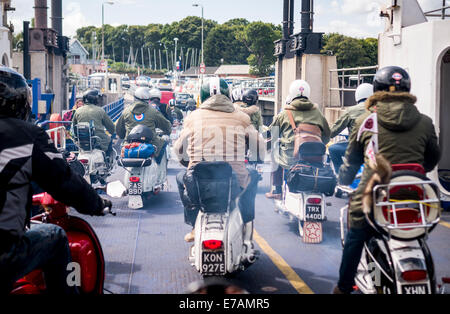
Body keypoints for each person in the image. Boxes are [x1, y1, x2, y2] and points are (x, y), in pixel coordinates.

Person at [0, 66, 111, 294]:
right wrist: (96, 204)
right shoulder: (26, 135)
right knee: (56, 237)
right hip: (4, 253)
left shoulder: (76, 114)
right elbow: (63, 181)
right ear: (19, 101)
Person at [333, 66, 441, 294]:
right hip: (415, 195)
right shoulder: (425, 122)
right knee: (417, 233)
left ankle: (343, 287)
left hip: (375, 197)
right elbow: (432, 160)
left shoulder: (366, 121)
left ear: (377, 90)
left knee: (356, 232)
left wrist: (342, 179)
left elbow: (351, 162)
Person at [173, 77, 265, 243]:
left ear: (202, 96)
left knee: (181, 178)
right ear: (228, 95)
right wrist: (257, 158)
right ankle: (246, 222)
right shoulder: (241, 117)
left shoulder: (192, 117)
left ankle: (194, 226)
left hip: (198, 183)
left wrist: (187, 164)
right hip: (234, 183)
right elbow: (259, 145)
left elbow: (178, 150)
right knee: (252, 177)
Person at [265, 79, 331, 199]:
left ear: (292, 93)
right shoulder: (318, 113)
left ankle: (277, 190)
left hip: (291, 158)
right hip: (315, 157)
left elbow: (272, 135)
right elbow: (327, 135)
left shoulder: (284, 113)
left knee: (275, 153)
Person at [115, 87, 171, 162]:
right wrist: (167, 131)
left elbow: (119, 129)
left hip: (129, 145)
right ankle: (158, 165)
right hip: (151, 144)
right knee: (164, 141)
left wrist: (123, 136)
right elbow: (167, 126)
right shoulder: (153, 111)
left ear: (135, 98)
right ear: (148, 99)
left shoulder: (126, 111)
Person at [328, 83, 373, 173]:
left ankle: (341, 176)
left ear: (358, 95)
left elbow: (333, 131)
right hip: (376, 149)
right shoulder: (380, 110)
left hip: (357, 149)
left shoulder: (351, 111)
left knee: (332, 149)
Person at [72, 89, 115, 160]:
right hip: (99, 141)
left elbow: (74, 128)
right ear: (94, 99)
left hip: (82, 142)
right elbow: (110, 127)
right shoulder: (100, 110)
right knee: (109, 140)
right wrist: (113, 132)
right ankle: (107, 160)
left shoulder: (78, 111)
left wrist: (76, 138)